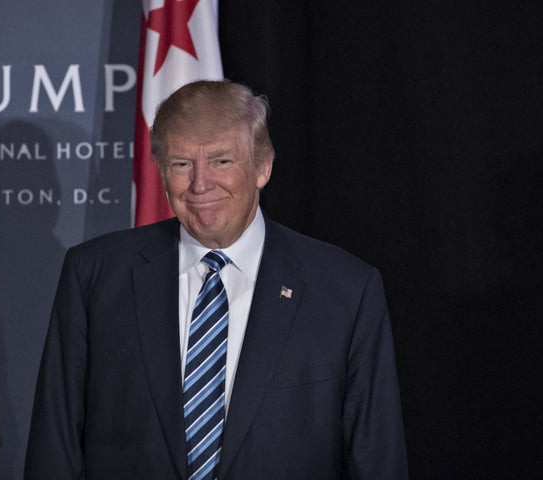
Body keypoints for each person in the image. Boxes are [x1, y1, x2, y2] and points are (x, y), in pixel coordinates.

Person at [24, 80, 408, 479]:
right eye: (181, 164)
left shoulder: (345, 289)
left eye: (221, 161)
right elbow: (56, 444)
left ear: (263, 166)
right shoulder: (95, 274)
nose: (200, 184)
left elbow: (376, 457)